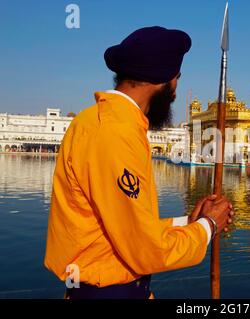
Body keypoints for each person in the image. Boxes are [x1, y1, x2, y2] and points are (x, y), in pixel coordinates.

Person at [44, 26, 234, 299]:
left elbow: (120, 227)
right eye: (176, 79)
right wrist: (209, 227)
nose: (175, 93)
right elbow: (144, 250)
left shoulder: (97, 121)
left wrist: (188, 222)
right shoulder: (115, 133)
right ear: (163, 78)